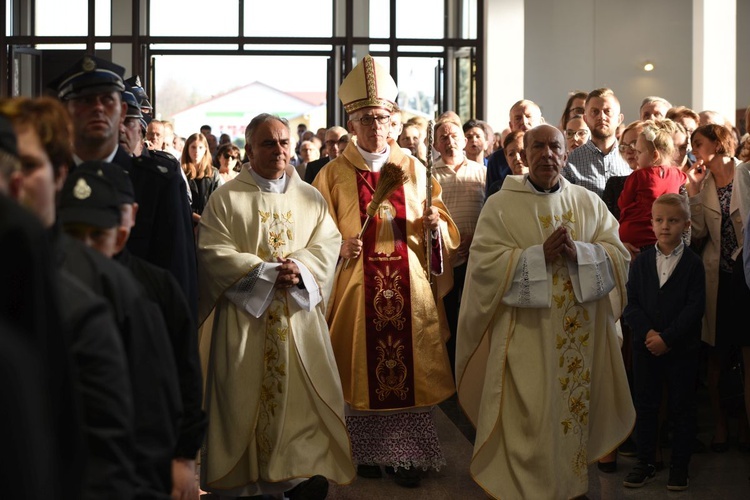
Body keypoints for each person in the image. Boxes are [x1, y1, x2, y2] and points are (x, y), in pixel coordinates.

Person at [455, 124, 634, 500]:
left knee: (570, 416)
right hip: (525, 339)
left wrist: (580, 254)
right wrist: (537, 257)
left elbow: (619, 255)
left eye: (556, 147)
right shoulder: (501, 205)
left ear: (567, 155)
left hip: (578, 344)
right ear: (524, 154)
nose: (547, 154)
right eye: (538, 147)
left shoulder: (587, 203)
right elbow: (484, 267)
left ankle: (570, 486)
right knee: (529, 419)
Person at [312, 55, 459, 488]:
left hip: (408, 286)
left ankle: (408, 457)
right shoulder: (332, 175)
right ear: (351, 123)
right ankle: (367, 453)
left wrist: (435, 227)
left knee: (409, 367)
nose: (375, 126)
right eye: (365, 119)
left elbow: (442, 225)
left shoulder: (415, 168)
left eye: (382, 117)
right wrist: (337, 247)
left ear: (394, 122)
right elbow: (315, 235)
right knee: (360, 371)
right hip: (357, 290)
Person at [197, 113, 354, 499]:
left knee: (298, 404)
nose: (279, 150)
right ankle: (245, 486)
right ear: (249, 149)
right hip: (244, 324)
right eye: (268, 143)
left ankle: (295, 477)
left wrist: (299, 268)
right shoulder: (226, 197)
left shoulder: (309, 197)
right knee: (241, 404)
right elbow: (212, 253)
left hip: (297, 321)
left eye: (284, 142)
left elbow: (327, 244)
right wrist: (267, 274)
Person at [75, 159, 208, 499]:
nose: (85, 247)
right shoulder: (49, 285)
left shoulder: (157, 288)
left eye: (97, 235)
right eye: (73, 234)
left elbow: (185, 375)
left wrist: (184, 454)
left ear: (123, 229)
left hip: (145, 455)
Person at [49, 55, 199, 321]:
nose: (97, 108)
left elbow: (178, 276)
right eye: (84, 100)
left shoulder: (157, 182)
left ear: (121, 112)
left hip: (138, 328)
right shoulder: (47, 179)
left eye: (107, 100)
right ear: (64, 113)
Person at [622, 193, 705, 491]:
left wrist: (667, 338)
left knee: (682, 407)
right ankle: (645, 462)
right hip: (646, 349)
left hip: (681, 349)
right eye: (659, 220)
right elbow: (631, 304)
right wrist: (648, 335)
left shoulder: (693, 264)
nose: (665, 226)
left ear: (685, 224)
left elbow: (695, 307)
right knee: (646, 405)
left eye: (672, 221)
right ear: (652, 223)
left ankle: (679, 468)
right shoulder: (642, 261)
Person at [685, 123, 744, 453]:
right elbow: (695, 236)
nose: (694, 149)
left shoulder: (744, 174)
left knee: (744, 354)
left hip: (745, 276)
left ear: (718, 142)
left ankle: (744, 424)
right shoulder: (701, 182)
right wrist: (693, 192)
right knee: (716, 356)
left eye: (698, 142)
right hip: (717, 280)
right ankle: (721, 426)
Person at [432, 119, 486, 373]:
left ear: (464, 141)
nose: (449, 140)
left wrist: (475, 237)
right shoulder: (429, 175)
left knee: (474, 312)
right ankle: (452, 370)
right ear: (435, 144)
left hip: (477, 253)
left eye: (454, 135)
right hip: (445, 257)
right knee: (450, 313)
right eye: (443, 137)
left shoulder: (481, 172)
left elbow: (490, 211)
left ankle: (474, 366)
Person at [618, 120, 687, 260]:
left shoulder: (638, 176)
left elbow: (623, 203)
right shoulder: (677, 174)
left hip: (637, 236)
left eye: (639, 152)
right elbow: (686, 180)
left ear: (655, 155)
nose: (635, 155)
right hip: (664, 236)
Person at [563, 87, 630, 198]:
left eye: (608, 111)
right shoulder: (570, 161)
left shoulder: (632, 158)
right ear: (585, 119)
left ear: (619, 119)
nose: (601, 117)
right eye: (595, 112)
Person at [485, 99, 544, 196]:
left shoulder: (550, 153)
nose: (524, 122)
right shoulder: (497, 159)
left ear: (541, 121)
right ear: (511, 125)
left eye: (529, 117)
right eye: (518, 118)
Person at [182, 132, 222, 222]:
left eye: (200, 147)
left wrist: (206, 221)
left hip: (209, 223)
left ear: (205, 150)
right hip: (186, 222)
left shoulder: (213, 173)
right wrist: (198, 219)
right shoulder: (181, 172)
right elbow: (179, 202)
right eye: (193, 147)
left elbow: (218, 200)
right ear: (187, 149)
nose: (196, 151)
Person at [486, 130, 526, 196]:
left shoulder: (542, 186)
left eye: (522, 152)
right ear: (506, 158)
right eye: (511, 154)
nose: (517, 157)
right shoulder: (497, 190)